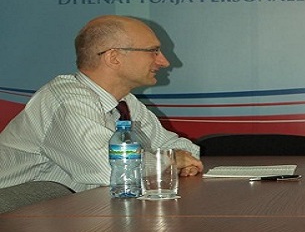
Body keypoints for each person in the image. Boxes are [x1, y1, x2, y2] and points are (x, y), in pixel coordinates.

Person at [0, 15, 203, 192]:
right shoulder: (66, 100)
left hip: (65, 211)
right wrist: (170, 161)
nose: (164, 62)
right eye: (153, 51)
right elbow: (112, 171)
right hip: (16, 215)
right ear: (114, 57)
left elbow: (181, 148)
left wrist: (176, 160)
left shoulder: (124, 101)